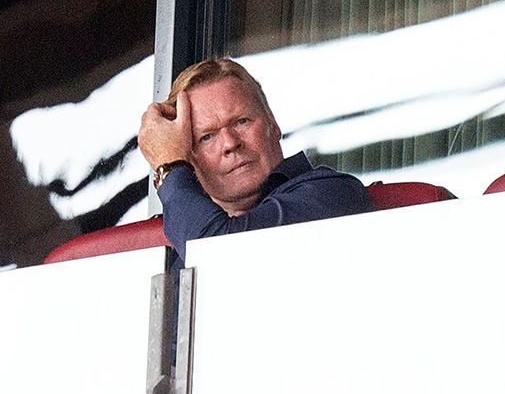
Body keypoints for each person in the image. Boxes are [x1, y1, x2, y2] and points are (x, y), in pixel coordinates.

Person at [138, 58, 372, 266]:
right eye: (206, 137)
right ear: (189, 156)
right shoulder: (176, 241)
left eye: (241, 121)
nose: (230, 143)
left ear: (273, 124)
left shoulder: (331, 193)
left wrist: (168, 167)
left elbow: (216, 257)